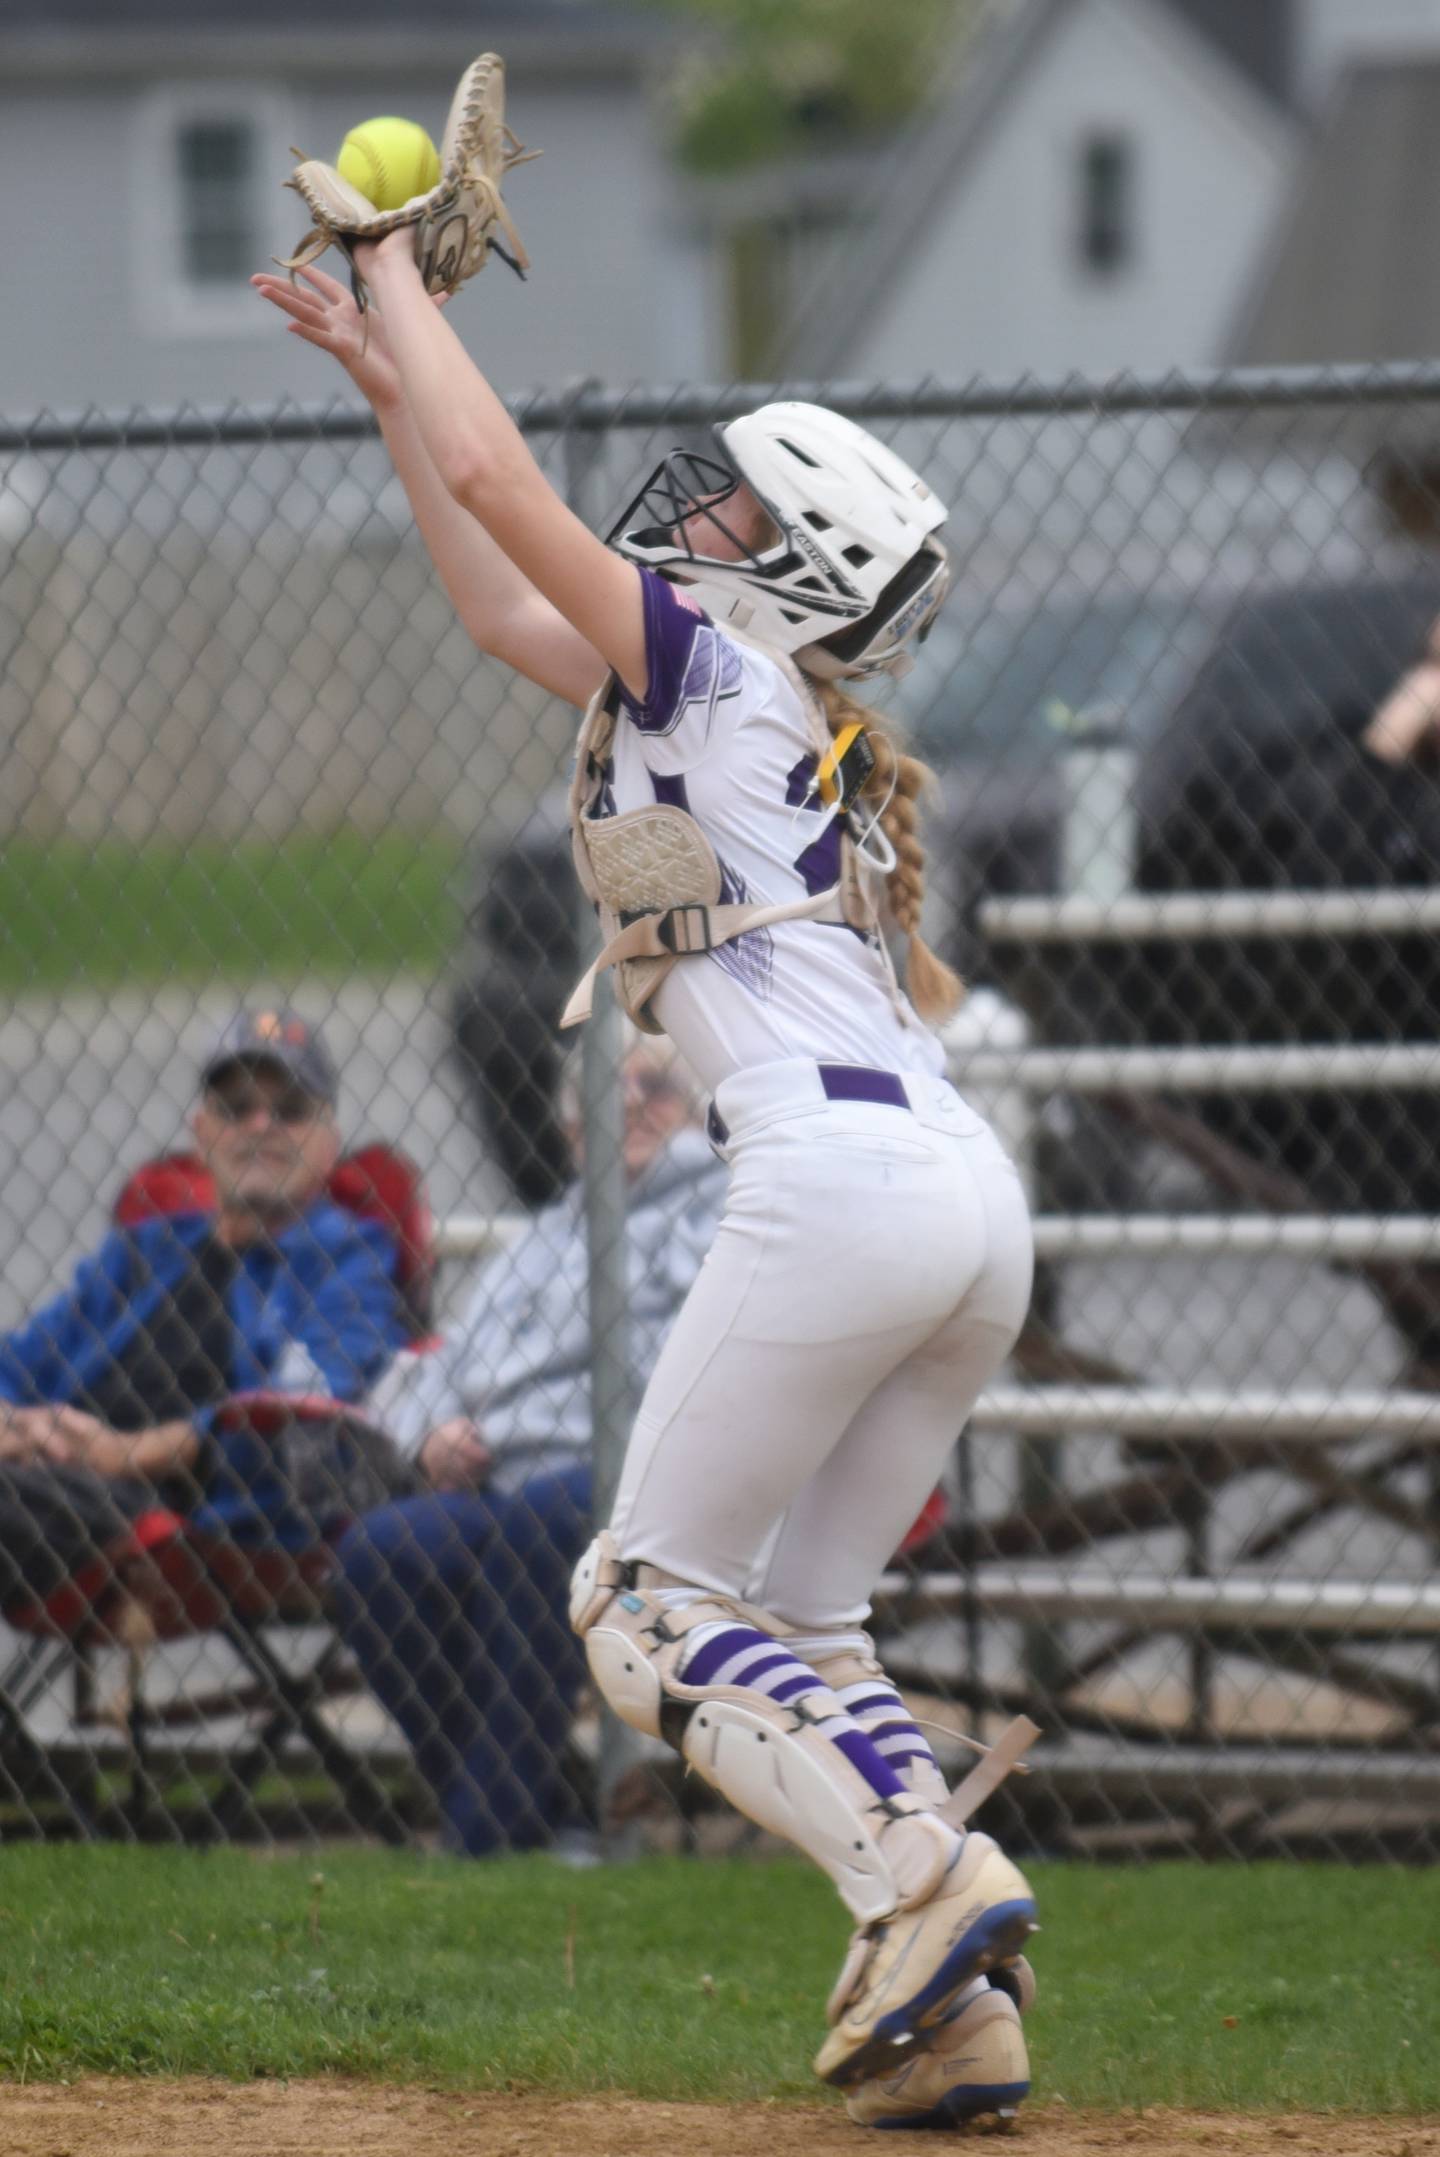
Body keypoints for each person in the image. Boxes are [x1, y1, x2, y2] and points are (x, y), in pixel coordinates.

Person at [253, 248, 1037, 2125]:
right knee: (809, 1623)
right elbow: (496, 591)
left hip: (844, 1187)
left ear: (798, 570)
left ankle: (931, 1880)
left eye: (741, 502)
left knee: (637, 1603)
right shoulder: (734, 702)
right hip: (959, 1205)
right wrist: (388, 388)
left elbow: (515, 491)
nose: (697, 503)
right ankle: (959, 2015)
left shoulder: (724, 668)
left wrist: (400, 276)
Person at [332, 1039, 725, 1857]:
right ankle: (538, 1818)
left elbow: (702, 1369)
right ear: (572, 1126)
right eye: (598, 1091)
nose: (624, 1105)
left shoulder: (719, 1213)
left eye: (652, 1088)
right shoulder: (543, 1236)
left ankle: (483, 1835)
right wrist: (432, 1439)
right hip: (503, 1483)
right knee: (380, 1554)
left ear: (696, 1111)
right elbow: (443, 1363)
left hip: (642, 1486)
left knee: (538, 1526)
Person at [0, 1008, 411, 1605]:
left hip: (196, 1519)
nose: (260, 1125)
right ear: (202, 1133)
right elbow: (19, 1363)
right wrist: (17, 1428)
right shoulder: (145, 1251)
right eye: (235, 1107)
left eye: (290, 1110)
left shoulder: (348, 1259)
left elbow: (303, 1409)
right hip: (55, 1484)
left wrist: (122, 1455)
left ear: (329, 1142)